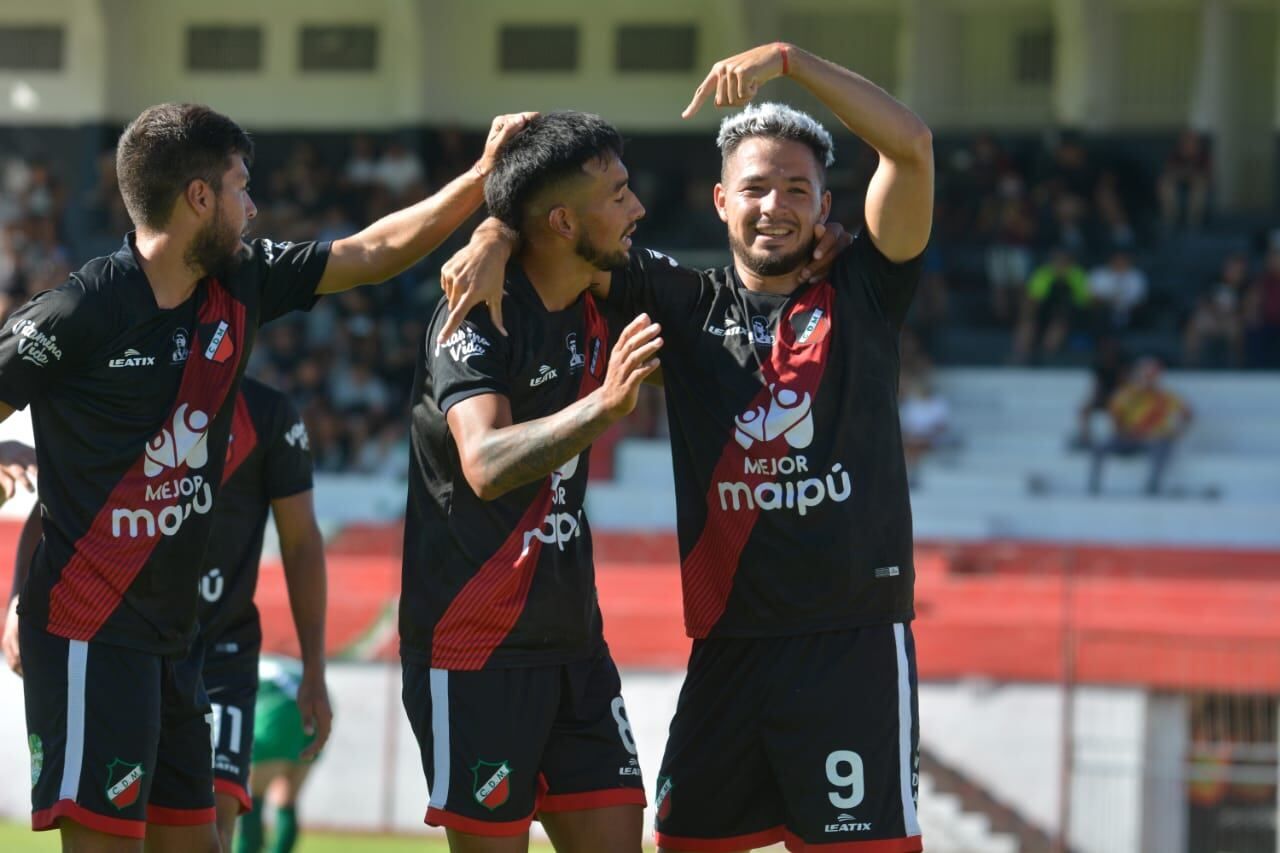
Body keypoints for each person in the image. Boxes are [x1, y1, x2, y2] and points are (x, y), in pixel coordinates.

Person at [0, 102, 530, 852]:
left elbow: (374, 250)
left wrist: (481, 180)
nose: (253, 206)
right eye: (240, 186)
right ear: (198, 198)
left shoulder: (244, 282)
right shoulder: (79, 309)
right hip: (89, 633)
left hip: (175, 639)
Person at [446, 40, 932, 853]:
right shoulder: (680, 301)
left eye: (796, 188)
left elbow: (910, 146)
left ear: (824, 205)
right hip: (725, 652)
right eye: (755, 187)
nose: (774, 204)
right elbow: (563, 230)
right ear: (719, 200)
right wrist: (495, 231)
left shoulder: (867, 286)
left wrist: (790, 61)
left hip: (850, 647)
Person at [4, 376, 327, 853]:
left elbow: (301, 543)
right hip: (129, 642)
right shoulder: (133, 392)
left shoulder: (268, 414)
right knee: (115, 830)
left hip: (221, 651)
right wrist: (18, 600)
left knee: (211, 831)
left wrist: (314, 670)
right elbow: (57, 509)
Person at [235, 656, 325, 853]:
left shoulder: (244, 659)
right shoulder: (281, 663)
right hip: (318, 710)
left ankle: (247, 848)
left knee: (251, 795)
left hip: (278, 712)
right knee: (287, 798)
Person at [1088, 357, 1193, 496]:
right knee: (1100, 447)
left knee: (1163, 447)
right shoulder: (1127, 394)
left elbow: (1188, 414)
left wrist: (1177, 432)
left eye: (1152, 375)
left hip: (1154, 440)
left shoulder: (1167, 397)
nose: (1149, 379)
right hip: (1129, 438)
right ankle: (1093, 487)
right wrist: (1123, 432)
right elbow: (1114, 415)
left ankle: (1152, 487)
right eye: (1145, 375)